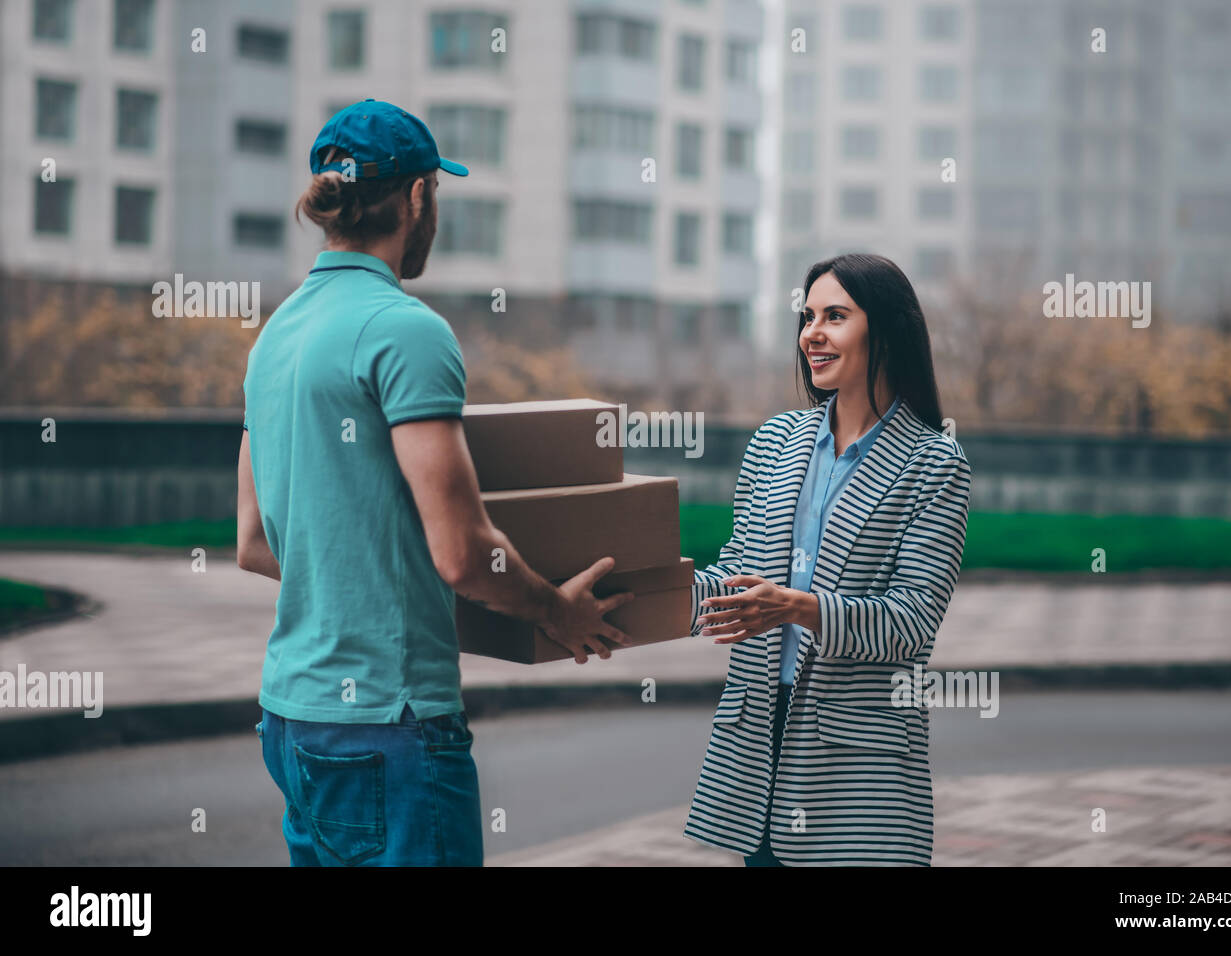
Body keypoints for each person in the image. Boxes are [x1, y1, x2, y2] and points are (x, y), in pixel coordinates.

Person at [237, 99, 633, 867]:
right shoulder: (404, 330)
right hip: (393, 724)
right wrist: (558, 612)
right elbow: (462, 553)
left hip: (291, 719)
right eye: (436, 194)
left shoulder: (275, 335)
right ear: (418, 197)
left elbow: (254, 542)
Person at [682, 252, 972, 866]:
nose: (812, 333)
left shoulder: (933, 463)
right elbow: (734, 570)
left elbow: (911, 623)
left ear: (886, 330)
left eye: (835, 315)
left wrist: (796, 608)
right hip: (761, 734)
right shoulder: (774, 443)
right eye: (807, 316)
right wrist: (636, 596)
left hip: (859, 756)